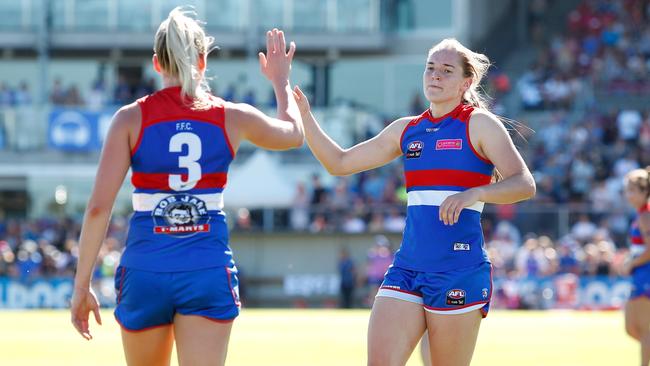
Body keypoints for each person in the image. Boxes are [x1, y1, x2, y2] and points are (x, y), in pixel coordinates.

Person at [70, 8, 303, 366]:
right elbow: (293, 134)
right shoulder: (230, 116)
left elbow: (98, 208)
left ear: (156, 63)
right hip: (206, 270)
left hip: (145, 270)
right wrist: (280, 82)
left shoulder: (130, 118)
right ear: (203, 59)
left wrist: (82, 284)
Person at [293, 38, 535, 365]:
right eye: (430, 68)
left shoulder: (479, 123)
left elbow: (524, 183)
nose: (435, 76)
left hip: (458, 271)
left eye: (446, 71)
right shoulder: (406, 130)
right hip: (407, 267)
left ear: (467, 82)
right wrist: (306, 115)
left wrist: (476, 192)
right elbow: (339, 163)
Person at [623, 168, 650, 366]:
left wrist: (631, 263)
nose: (629, 195)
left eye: (633, 190)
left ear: (645, 192)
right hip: (639, 273)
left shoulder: (645, 217)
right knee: (632, 327)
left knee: (643, 329)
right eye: (628, 190)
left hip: (645, 274)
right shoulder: (640, 215)